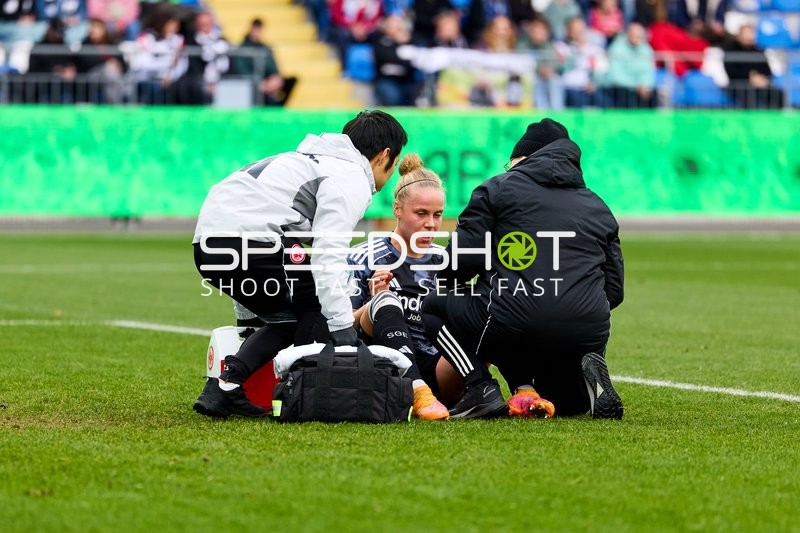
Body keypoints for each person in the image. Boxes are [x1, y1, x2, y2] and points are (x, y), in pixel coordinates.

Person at [192, 110, 408, 418]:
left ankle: (226, 386)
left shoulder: (305, 160)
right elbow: (327, 254)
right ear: (385, 155)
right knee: (316, 305)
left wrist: (248, 318)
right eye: (395, 164)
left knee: (287, 317)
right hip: (248, 243)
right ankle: (305, 395)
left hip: (206, 246)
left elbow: (254, 218)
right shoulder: (350, 177)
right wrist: (341, 326)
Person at [421, 118, 624, 420]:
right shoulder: (598, 206)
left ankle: (480, 388)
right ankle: (584, 377)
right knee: (566, 404)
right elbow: (614, 290)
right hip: (587, 330)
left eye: (511, 164)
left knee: (434, 305)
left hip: (512, 317)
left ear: (524, 158)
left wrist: (457, 284)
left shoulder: (496, 189)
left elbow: (461, 260)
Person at [347, 154, 455, 421]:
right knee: (384, 301)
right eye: (421, 213)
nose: (431, 224)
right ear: (397, 209)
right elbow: (340, 327)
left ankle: (507, 390)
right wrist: (371, 304)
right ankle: (417, 391)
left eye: (437, 215)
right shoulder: (363, 256)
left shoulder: (445, 260)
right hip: (383, 368)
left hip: (437, 369)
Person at [231, 18, 297, 106]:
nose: (258, 32)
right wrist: (257, 82)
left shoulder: (266, 48)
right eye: (256, 29)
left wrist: (274, 78)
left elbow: (273, 67)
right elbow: (241, 70)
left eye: (259, 30)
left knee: (290, 81)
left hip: (266, 81)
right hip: (252, 82)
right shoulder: (243, 48)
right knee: (258, 89)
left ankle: (278, 106)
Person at [723, 23, 784, 110]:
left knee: (777, 93)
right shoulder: (731, 50)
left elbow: (767, 71)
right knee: (749, 96)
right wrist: (750, 78)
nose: (749, 37)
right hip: (738, 85)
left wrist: (762, 79)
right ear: (739, 36)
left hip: (759, 84)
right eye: (746, 34)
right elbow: (731, 72)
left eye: (751, 33)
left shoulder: (759, 51)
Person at [603, 22, 657, 108]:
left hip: (639, 87)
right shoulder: (617, 48)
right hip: (620, 86)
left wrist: (644, 85)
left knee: (654, 94)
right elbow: (615, 75)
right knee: (627, 95)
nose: (636, 38)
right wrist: (635, 86)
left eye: (639, 36)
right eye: (634, 35)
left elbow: (648, 71)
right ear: (628, 34)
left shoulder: (646, 49)